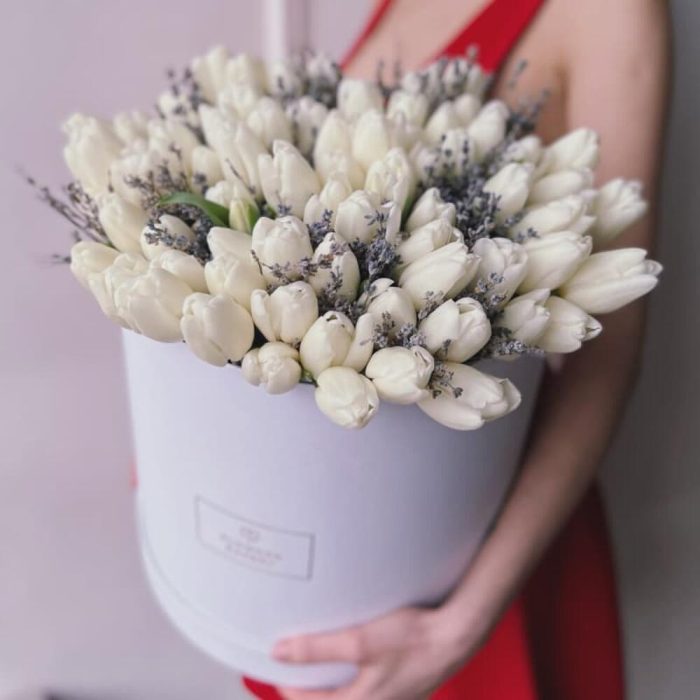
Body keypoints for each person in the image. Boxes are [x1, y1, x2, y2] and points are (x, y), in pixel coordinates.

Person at [244, 0, 670, 698]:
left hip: (479, 566)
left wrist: (455, 630)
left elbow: (607, 361)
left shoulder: (612, 13)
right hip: (342, 550)